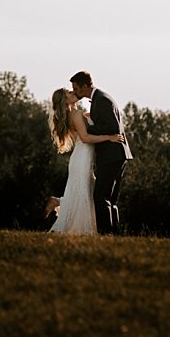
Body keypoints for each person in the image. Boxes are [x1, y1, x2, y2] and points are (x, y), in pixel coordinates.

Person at [48, 81, 127, 236]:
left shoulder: (77, 114)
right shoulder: (76, 115)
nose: (73, 93)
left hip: (83, 158)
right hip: (82, 157)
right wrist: (109, 137)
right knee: (85, 192)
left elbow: (92, 124)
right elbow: (85, 138)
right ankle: (85, 225)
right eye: (69, 93)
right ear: (65, 100)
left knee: (86, 191)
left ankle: (58, 202)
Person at [71, 69, 131, 234]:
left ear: (84, 86)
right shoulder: (99, 99)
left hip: (111, 155)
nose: (74, 92)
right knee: (110, 199)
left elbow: (113, 127)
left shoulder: (102, 99)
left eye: (76, 88)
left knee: (100, 197)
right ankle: (114, 234)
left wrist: (88, 128)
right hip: (116, 154)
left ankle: (106, 233)